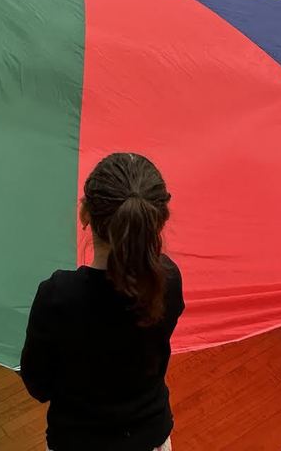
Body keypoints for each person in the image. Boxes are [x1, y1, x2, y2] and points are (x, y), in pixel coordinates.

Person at [21, 152, 184, 451]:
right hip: (151, 438)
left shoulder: (58, 296)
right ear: (159, 222)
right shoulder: (169, 279)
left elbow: (38, 385)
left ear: (84, 214)